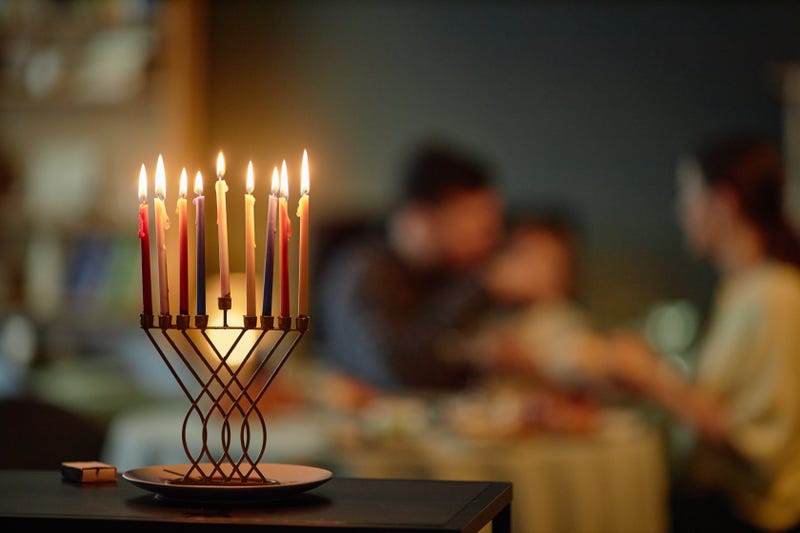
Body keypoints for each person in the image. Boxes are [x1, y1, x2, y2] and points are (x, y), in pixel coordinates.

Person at [611, 132, 800, 532]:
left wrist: (652, 378)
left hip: (751, 516)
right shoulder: (744, 289)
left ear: (724, 202)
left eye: (689, 194)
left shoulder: (773, 297)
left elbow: (758, 441)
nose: (681, 209)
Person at [314, 141, 505, 393]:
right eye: (471, 219)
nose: (487, 237)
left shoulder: (445, 272)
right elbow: (393, 370)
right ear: (423, 217)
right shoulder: (365, 272)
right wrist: (482, 287)